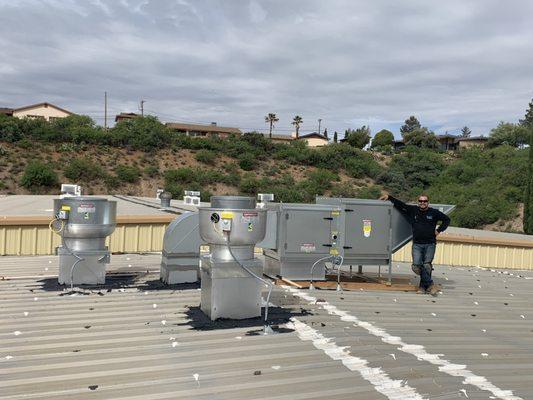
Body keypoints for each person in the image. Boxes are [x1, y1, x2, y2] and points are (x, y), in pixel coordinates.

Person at [379, 193, 450, 295]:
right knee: (416, 266)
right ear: (418, 202)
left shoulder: (434, 212)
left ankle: (422, 288)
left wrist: (439, 230)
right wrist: (389, 197)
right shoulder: (413, 210)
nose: (422, 203)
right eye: (420, 201)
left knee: (427, 265)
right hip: (417, 244)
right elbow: (401, 205)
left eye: (424, 201)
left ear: (428, 202)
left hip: (430, 244)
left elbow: (447, 220)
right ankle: (430, 284)